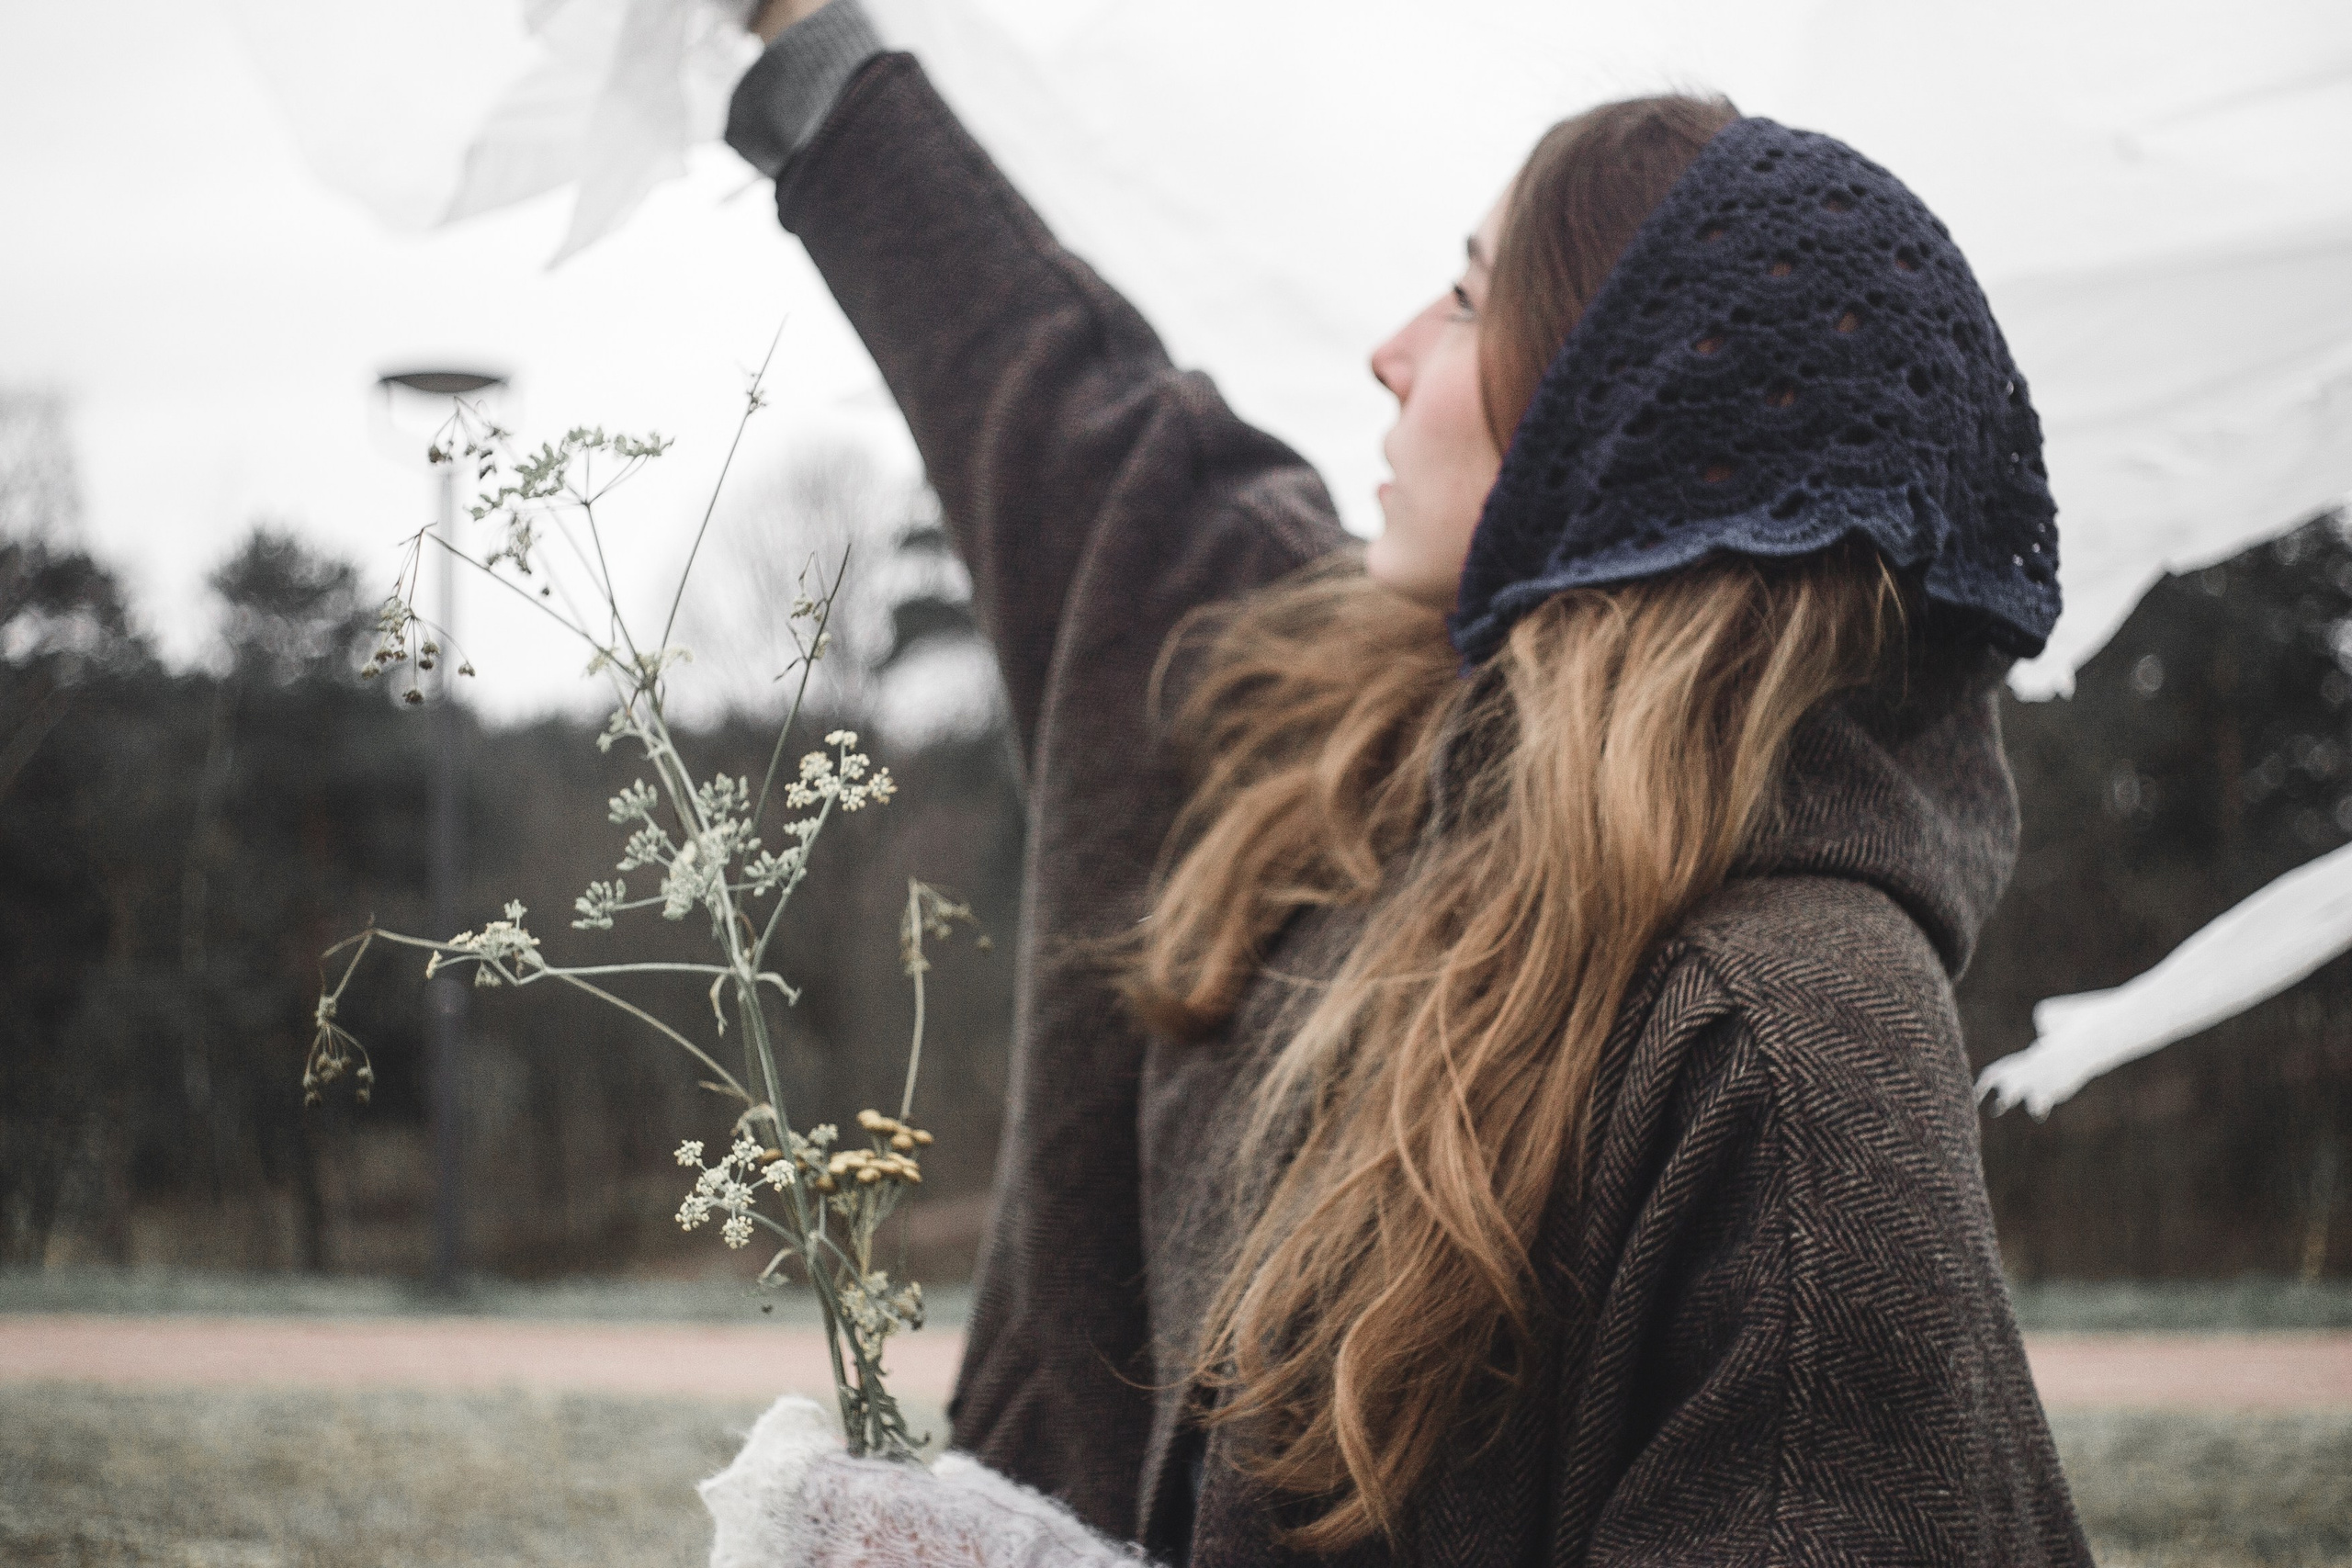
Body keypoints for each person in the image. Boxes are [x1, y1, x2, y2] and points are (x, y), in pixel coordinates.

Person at [699, 3, 2091, 1564]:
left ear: (1612, 428)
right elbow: (1052, 394)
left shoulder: (1792, 1047)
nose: (1391, 348)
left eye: (1467, 300)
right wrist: (803, 31)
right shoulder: (1333, 721)